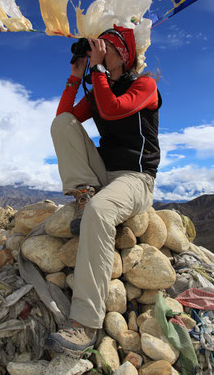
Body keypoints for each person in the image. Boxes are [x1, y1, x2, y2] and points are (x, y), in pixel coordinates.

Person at [45, 24, 162, 357]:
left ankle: (85, 323)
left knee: (100, 211)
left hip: (136, 179)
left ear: (123, 54)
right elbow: (64, 119)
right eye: (97, 47)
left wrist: (95, 71)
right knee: (61, 125)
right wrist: (75, 74)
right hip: (103, 175)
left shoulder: (144, 84)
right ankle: (85, 196)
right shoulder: (97, 85)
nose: (98, 50)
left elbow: (113, 108)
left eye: (105, 46)